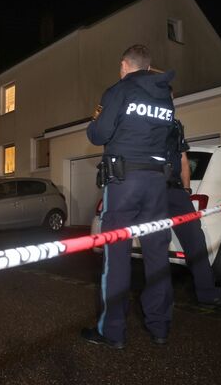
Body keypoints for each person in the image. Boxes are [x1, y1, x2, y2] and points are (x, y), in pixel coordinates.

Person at [82, 44, 174, 349]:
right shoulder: (166, 96)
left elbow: (99, 135)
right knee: (157, 255)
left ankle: (113, 332)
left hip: (124, 182)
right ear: (148, 67)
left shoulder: (119, 91)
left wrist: (94, 120)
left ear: (125, 65)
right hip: (157, 183)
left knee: (117, 256)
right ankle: (159, 327)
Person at [166, 120, 221, 312]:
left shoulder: (175, 125)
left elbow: (183, 160)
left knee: (196, 241)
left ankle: (209, 294)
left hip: (176, 193)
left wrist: (185, 190)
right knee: (156, 246)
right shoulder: (143, 117)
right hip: (150, 191)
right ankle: (160, 302)